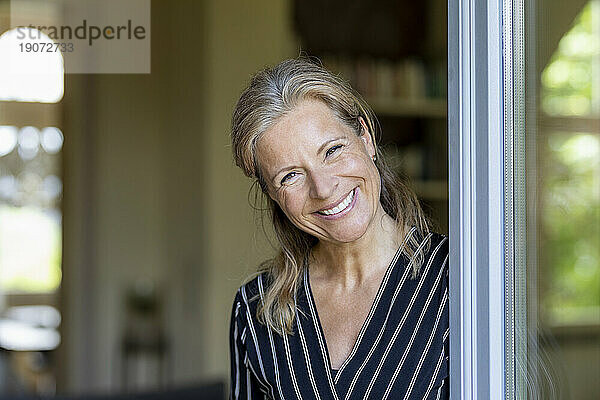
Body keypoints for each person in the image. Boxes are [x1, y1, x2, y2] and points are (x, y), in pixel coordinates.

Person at [228, 58, 449, 400]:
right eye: (290, 176)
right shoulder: (257, 309)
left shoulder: (457, 280)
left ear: (366, 138)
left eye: (332, 151)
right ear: (273, 195)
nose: (323, 188)